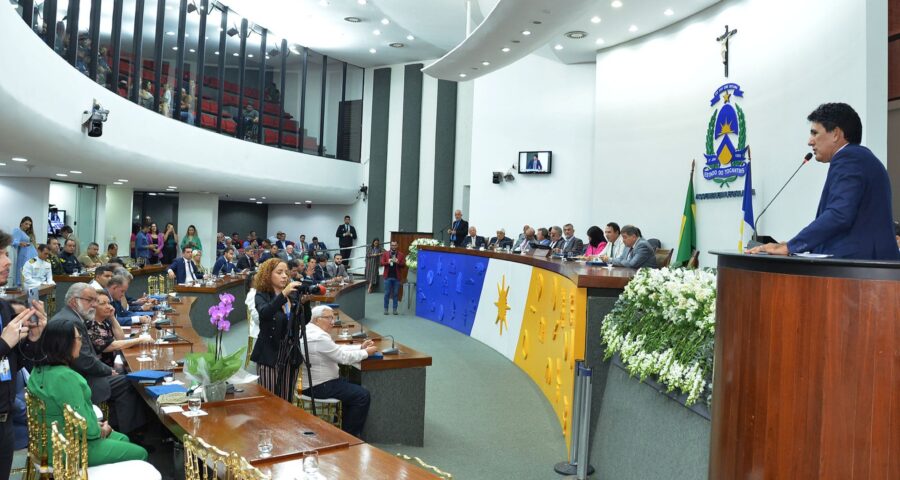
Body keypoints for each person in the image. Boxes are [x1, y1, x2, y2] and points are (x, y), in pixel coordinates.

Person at [746, 103, 899, 260]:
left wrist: (790, 247)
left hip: (862, 273)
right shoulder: (861, 158)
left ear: (836, 134)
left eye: (815, 133)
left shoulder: (849, 158)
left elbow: (839, 215)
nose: (810, 141)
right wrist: (794, 245)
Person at [26, 318, 149, 466]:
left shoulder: (38, 370)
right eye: (79, 338)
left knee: (123, 439)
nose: (81, 342)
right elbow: (87, 430)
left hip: (47, 443)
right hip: (68, 449)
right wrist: (103, 430)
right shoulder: (66, 378)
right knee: (140, 453)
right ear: (66, 344)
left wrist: (98, 427)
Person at [49, 283, 147, 434]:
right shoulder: (72, 321)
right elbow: (84, 360)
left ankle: (117, 427)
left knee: (125, 377)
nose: (94, 305)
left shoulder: (71, 316)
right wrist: (108, 370)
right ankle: (129, 433)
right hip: (81, 380)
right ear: (74, 301)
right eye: (90, 300)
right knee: (129, 383)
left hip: (78, 375)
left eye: (95, 301)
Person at [0, 229, 47, 476]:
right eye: (1, 254)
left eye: (7, 254)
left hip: (4, 418)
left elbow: (22, 362)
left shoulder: (3, 308)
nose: (8, 261)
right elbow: (5, 348)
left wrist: (35, 338)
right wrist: (4, 344)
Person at [300, 305, 376, 436]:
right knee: (362, 395)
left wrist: (359, 347)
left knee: (351, 387)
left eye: (333, 318)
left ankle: (343, 428)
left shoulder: (309, 330)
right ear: (317, 320)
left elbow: (335, 350)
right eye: (329, 318)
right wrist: (366, 353)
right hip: (320, 386)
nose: (333, 322)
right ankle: (350, 436)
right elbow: (343, 358)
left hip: (313, 383)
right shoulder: (320, 337)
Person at [250, 259, 308, 401]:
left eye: (286, 273)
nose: (284, 276)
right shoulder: (261, 295)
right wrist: (283, 295)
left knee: (286, 399)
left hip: (290, 351)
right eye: (279, 272)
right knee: (269, 399)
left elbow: (304, 321)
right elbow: (265, 313)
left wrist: (305, 304)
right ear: (268, 275)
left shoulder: (293, 296)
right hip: (270, 351)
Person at [87, 294, 153, 368]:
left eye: (108, 303)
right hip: (101, 370)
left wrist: (112, 317)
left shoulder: (104, 321)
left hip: (110, 365)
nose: (108, 306)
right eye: (103, 304)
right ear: (92, 307)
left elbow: (121, 338)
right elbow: (109, 346)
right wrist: (139, 340)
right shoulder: (91, 324)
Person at [381, 240, 405, 315]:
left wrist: (398, 262)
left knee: (395, 294)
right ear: (390, 246)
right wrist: (388, 262)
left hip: (396, 277)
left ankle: (395, 309)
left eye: (395, 245)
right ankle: (386, 309)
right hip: (387, 277)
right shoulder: (385, 254)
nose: (393, 246)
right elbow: (381, 263)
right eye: (392, 245)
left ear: (397, 246)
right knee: (387, 293)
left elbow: (403, 265)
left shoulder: (401, 254)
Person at [12, 216, 38, 287]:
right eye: (26, 224)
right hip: (24, 256)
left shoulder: (24, 233)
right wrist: (21, 243)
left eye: (29, 225)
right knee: (24, 273)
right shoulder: (17, 230)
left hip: (29, 256)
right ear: (21, 223)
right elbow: (13, 241)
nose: (28, 226)